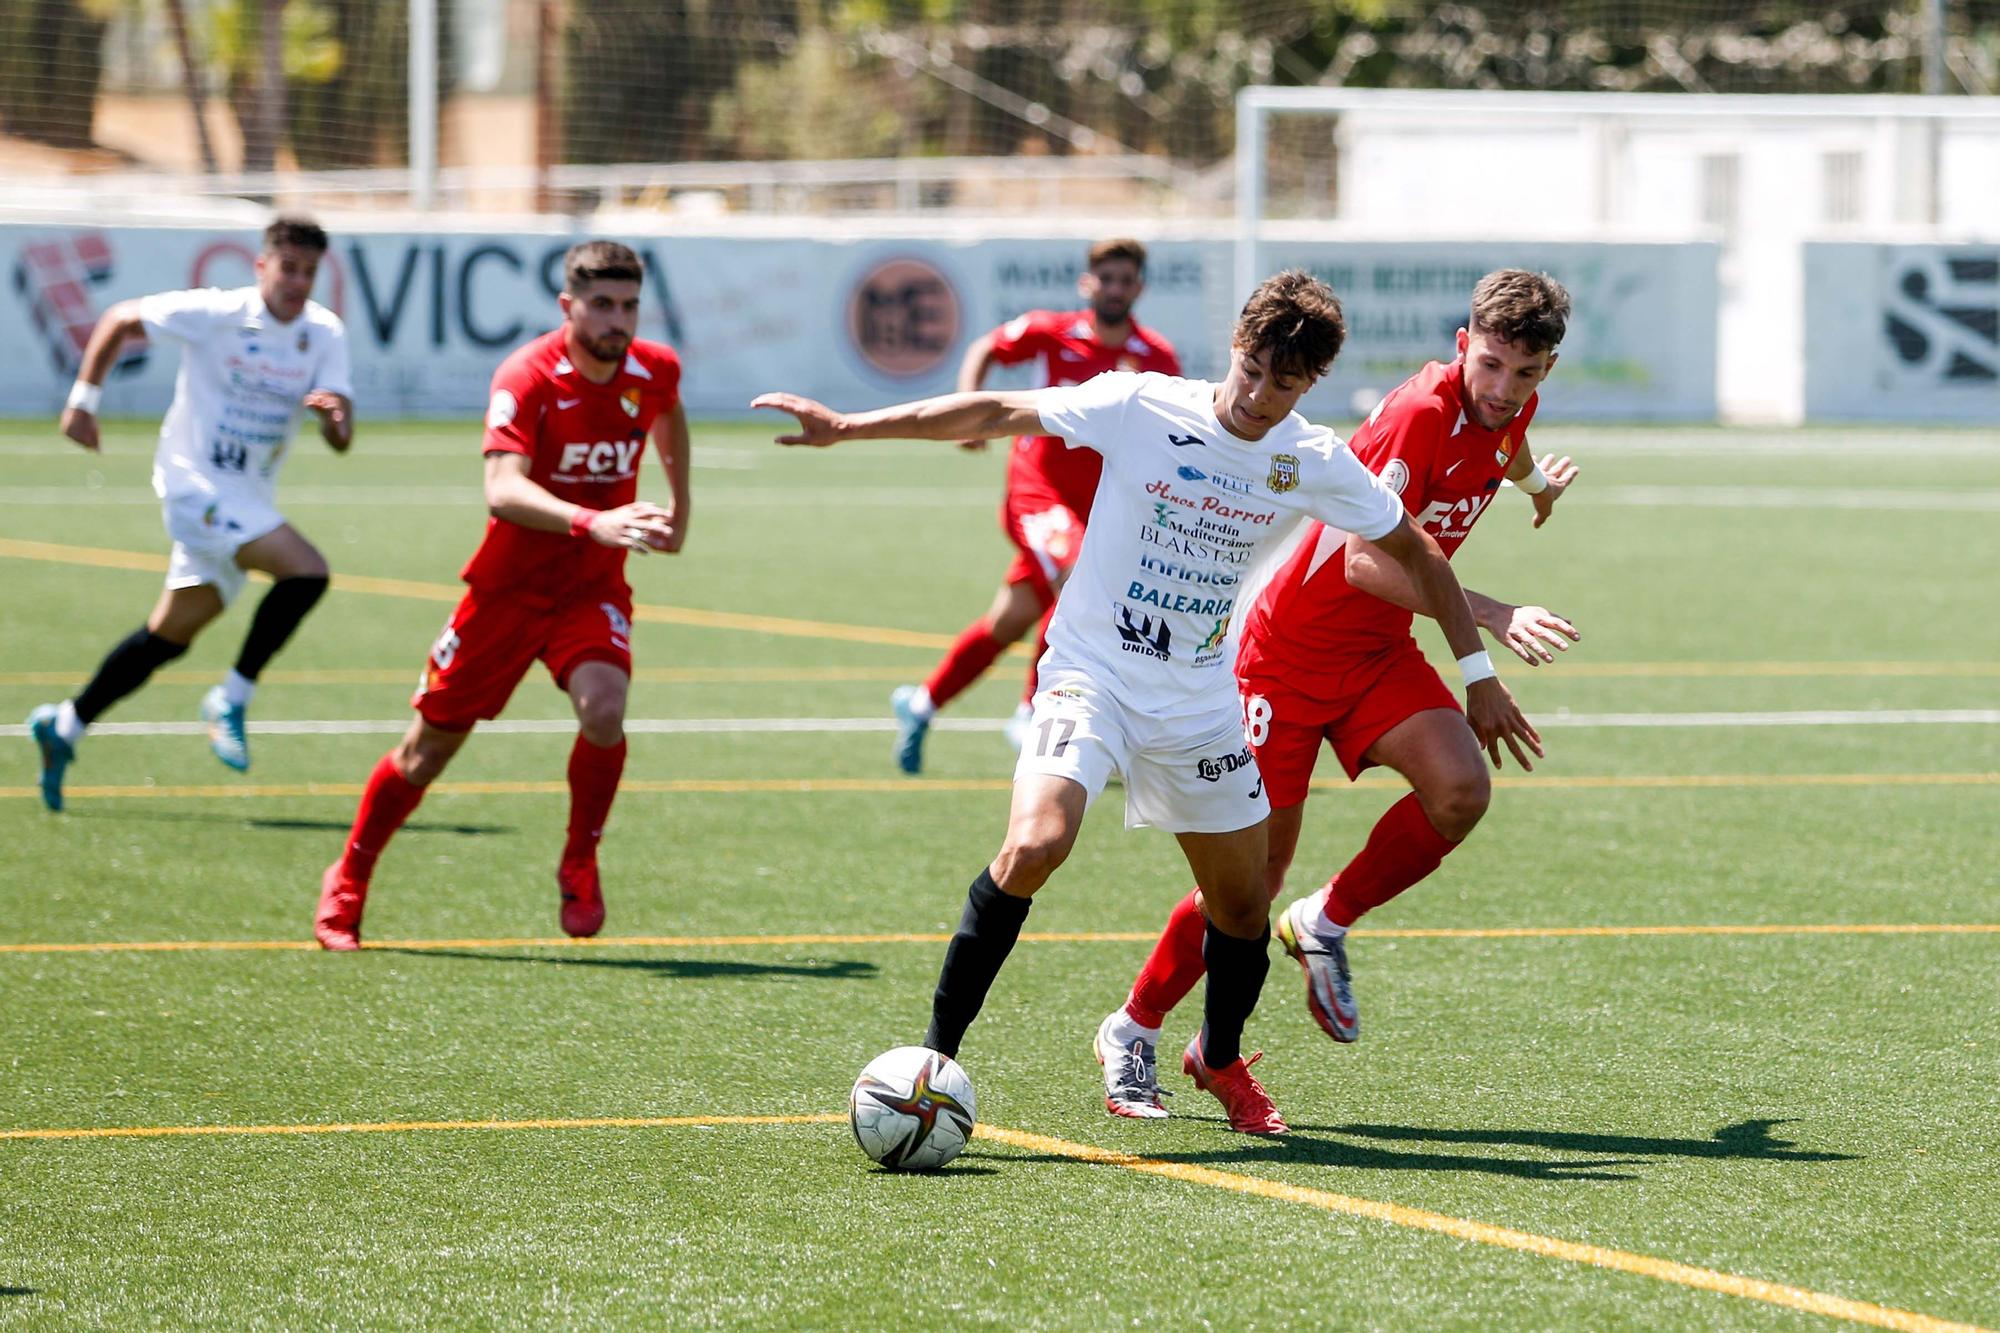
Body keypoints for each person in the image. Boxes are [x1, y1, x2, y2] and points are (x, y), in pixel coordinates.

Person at [755, 270, 1539, 1135]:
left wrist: (1477, 668)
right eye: (1251, 369)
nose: (1258, 395)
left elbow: (1418, 552)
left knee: (1243, 905)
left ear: (1308, 385)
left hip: (1199, 699)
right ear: (1233, 349)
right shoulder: (1141, 404)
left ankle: (1222, 1060)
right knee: (1037, 841)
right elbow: (993, 414)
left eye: (1284, 384)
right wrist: (847, 426)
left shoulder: (1307, 457)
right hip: (1092, 675)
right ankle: (936, 1056)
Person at [1093, 269, 1580, 1119]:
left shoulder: (1510, 410)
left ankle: (1323, 923)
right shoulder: (1418, 415)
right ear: (1464, 346)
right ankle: (1134, 1028)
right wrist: (1494, 617)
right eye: (1492, 366)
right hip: (1285, 658)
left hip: (1376, 652)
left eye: (1526, 374)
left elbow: (1511, 449)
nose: (1504, 390)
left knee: (1462, 789)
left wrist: (1537, 490)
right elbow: (1363, 560)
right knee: (1250, 882)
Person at [313, 241, 690, 950]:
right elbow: (502, 488)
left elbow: (668, 414)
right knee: (425, 753)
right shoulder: (529, 375)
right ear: (567, 306)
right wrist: (594, 520)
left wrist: (681, 506)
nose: (618, 319)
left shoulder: (655, 368)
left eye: (629, 305)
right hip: (506, 593)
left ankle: (580, 858)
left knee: (605, 708)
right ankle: (350, 874)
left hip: (590, 587)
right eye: (602, 304)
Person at [27, 216, 354, 811]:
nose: (298, 282)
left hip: (247, 498)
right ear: (262, 266)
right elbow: (119, 318)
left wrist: (334, 421)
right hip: (193, 485)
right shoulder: (219, 312)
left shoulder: (324, 334)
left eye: (309, 272)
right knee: (307, 572)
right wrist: (83, 400)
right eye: (289, 268)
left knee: (167, 637)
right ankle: (233, 695)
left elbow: (342, 437)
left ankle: (65, 725)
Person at [890, 237, 1180, 773]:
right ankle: (1032, 712)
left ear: (1138, 287)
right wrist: (966, 415)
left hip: (1096, 508)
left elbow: (1168, 431)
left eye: (1125, 280)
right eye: (1106, 278)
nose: (1115, 289)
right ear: (1087, 282)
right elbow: (985, 349)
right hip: (1036, 487)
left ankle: (920, 703)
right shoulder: (1051, 331)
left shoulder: (1156, 357)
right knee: (1074, 576)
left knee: (1011, 619)